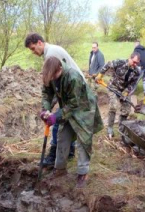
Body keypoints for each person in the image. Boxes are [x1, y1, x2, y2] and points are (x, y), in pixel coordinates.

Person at [39, 57, 103, 188]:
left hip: (84, 108)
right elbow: (46, 93)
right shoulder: (50, 74)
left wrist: (56, 116)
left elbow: (74, 104)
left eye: (54, 76)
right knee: (62, 136)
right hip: (67, 108)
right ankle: (60, 169)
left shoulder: (73, 77)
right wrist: (45, 109)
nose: (52, 79)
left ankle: (83, 172)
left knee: (83, 140)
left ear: (60, 69)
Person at [24, 33, 81, 167]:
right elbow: (48, 89)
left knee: (59, 122)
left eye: (33, 48)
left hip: (75, 91)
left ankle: (54, 155)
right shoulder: (50, 52)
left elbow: (53, 87)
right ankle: (69, 151)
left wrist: (53, 114)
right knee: (64, 120)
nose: (33, 52)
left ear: (39, 43)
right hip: (67, 90)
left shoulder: (51, 55)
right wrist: (46, 108)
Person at [96, 52, 141, 139]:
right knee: (113, 106)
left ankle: (121, 129)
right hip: (113, 86)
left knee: (126, 109)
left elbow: (133, 84)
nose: (135, 64)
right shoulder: (120, 62)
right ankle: (110, 128)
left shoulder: (137, 71)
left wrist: (126, 92)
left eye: (137, 63)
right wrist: (100, 75)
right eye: (134, 62)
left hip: (124, 90)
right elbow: (108, 64)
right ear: (130, 58)